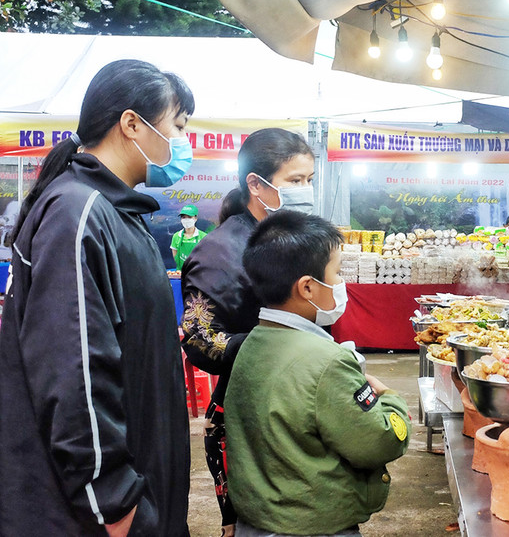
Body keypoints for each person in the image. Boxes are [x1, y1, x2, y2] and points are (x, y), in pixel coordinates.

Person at [0, 59, 194, 535]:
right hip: (90, 516)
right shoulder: (77, 211)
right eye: (178, 126)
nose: (182, 143)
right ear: (132, 124)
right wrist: (114, 503)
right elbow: (74, 376)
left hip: (139, 490)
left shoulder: (117, 212)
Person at [226, 210, 410, 536]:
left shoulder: (251, 344)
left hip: (257, 522)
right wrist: (391, 401)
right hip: (311, 526)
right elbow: (377, 442)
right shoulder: (327, 362)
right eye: (337, 273)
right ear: (308, 288)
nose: (341, 284)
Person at [180, 127, 315, 536]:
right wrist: (275, 344)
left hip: (300, 403)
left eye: (309, 180)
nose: (305, 190)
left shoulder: (297, 236)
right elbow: (200, 339)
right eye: (295, 181)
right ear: (256, 184)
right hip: (246, 420)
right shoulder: (219, 254)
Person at [170, 203, 207, 270]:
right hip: (180, 273)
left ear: (195, 218)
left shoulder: (203, 236)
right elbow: (175, 254)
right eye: (184, 217)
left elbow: (206, 256)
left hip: (197, 273)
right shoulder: (176, 236)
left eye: (189, 217)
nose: (186, 220)